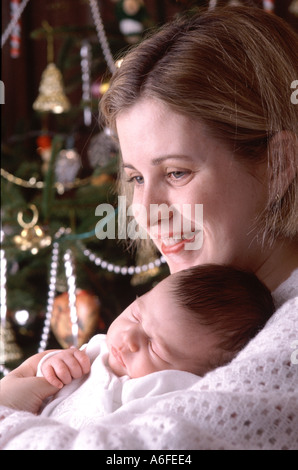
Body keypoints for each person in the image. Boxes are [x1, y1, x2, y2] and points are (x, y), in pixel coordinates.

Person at [0, 5, 297, 450]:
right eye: (137, 177)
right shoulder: (192, 314)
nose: (145, 210)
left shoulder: (286, 347)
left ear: (279, 164)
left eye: (176, 173)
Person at [37, 264, 274, 388]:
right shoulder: (98, 349)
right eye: (136, 315)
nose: (128, 337)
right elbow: (44, 384)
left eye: (156, 348)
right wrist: (53, 364)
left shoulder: (157, 393)